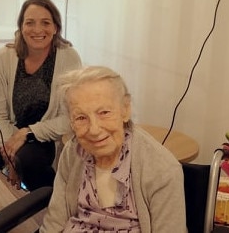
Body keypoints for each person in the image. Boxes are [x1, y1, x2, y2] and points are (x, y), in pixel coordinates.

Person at [0, 0, 82, 222]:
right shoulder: (3, 57)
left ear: (56, 27)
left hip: (41, 132)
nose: (38, 29)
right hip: (0, 130)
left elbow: (70, 117)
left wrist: (26, 133)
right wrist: (9, 153)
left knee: (30, 163)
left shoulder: (69, 58)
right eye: (30, 22)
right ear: (21, 27)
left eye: (46, 22)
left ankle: (58, 215)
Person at [40, 66, 187, 232]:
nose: (94, 130)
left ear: (125, 110)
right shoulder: (73, 152)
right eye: (81, 117)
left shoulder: (162, 169)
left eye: (104, 112)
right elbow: (55, 223)